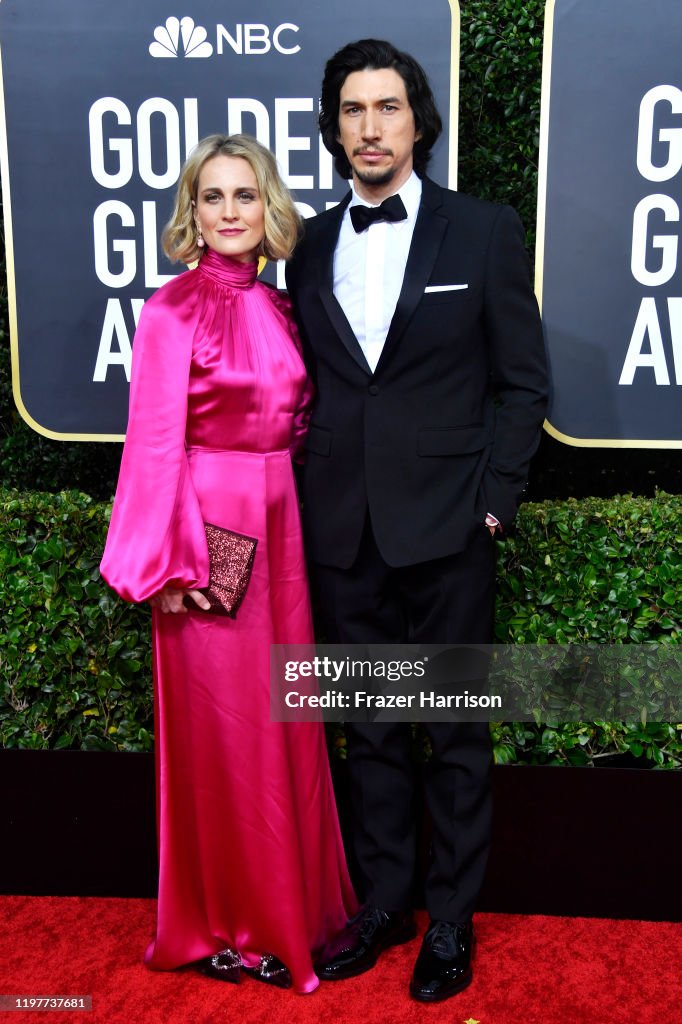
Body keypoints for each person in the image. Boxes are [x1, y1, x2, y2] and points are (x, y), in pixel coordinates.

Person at [285, 39, 548, 1002]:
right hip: (344, 536)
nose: (369, 127)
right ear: (334, 126)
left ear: (418, 120)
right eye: (352, 110)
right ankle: (385, 901)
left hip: (448, 533)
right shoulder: (306, 247)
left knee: (455, 734)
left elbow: (522, 383)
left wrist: (493, 508)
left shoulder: (480, 231)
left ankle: (451, 920)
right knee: (372, 733)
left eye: (386, 107)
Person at [100, 133, 356, 994]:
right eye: (213, 197)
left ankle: (295, 912)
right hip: (206, 536)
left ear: (269, 206)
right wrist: (165, 563)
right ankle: (222, 925)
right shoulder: (171, 311)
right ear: (193, 213)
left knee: (285, 720)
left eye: (245, 196)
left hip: (280, 529)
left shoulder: (283, 310)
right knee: (222, 734)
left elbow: (303, 425)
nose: (231, 212)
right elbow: (155, 445)